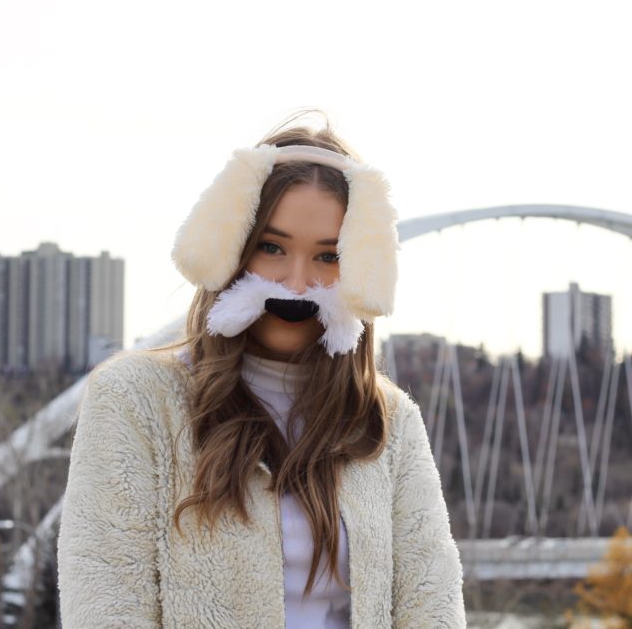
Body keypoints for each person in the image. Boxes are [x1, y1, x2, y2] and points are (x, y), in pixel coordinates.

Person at [57, 116, 467, 628]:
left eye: (328, 256)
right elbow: (107, 601)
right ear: (229, 249)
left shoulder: (387, 421)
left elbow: (431, 603)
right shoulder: (136, 400)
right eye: (272, 247)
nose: (297, 282)